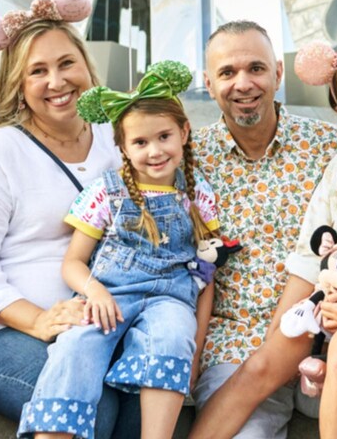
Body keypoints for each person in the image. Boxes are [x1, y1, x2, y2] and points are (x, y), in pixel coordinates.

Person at [0, 0, 138, 439]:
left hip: (100, 325)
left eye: (66, 64)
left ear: (87, 68)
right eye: (38, 71)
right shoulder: (1, 151)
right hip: (0, 334)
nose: (57, 81)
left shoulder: (119, 137)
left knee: (142, 408)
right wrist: (39, 320)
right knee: (92, 406)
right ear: (19, 84)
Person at [17, 61, 219, 439]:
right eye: (140, 143)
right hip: (110, 294)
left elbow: (208, 274)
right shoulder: (105, 192)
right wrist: (94, 291)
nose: (155, 151)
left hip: (170, 299)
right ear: (123, 147)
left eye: (164, 137)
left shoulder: (198, 194)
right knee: (76, 345)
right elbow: (74, 262)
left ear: (184, 132)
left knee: (173, 335)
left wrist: (197, 345)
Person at [186, 21, 337, 439]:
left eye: (256, 68)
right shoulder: (189, 160)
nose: (243, 84)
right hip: (235, 346)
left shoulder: (331, 148)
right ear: (208, 82)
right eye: (227, 73)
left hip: (325, 339)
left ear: (277, 72)